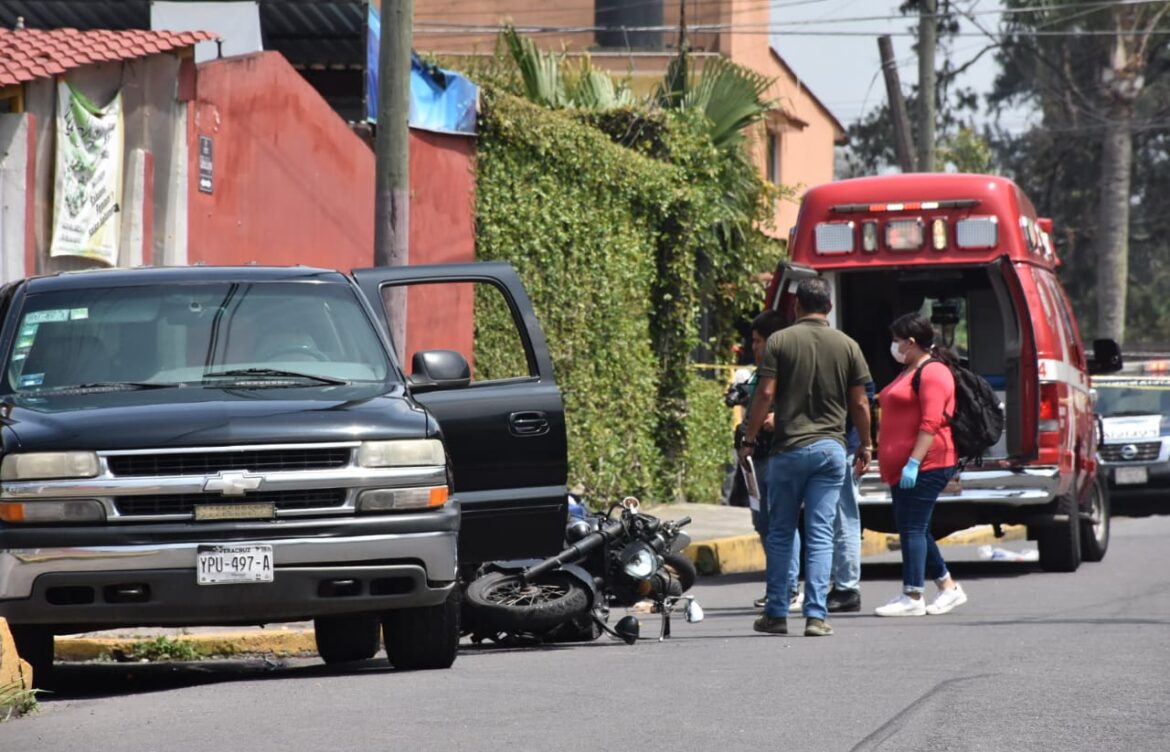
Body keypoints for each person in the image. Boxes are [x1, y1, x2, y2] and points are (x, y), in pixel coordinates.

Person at [741, 278, 872, 637]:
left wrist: (749, 438)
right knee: (820, 534)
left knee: (781, 532)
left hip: (788, 450)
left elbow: (765, 394)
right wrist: (866, 444)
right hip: (831, 451)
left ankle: (777, 613)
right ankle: (816, 615)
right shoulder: (847, 345)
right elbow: (860, 402)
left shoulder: (780, 341)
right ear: (828, 307)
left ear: (796, 306)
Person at [873, 312, 968, 617]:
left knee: (913, 527)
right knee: (915, 527)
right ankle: (948, 586)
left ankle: (913, 594)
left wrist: (913, 462)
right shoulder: (909, 369)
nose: (894, 346)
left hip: (929, 462)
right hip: (904, 465)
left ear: (911, 342)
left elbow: (930, 422)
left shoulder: (933, 372)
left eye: (897, 341)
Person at [739, 310, 802, 613]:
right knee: (763, 523)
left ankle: (788, 587)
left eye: (758, 341)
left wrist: (778, 419)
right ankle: (779, 584)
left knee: (780, 524)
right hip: (758, 458)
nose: (754, 347)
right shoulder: (759, 371)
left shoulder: (787, 369)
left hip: (777, 454)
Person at [825, 379, 874, 613]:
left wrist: (866, 444)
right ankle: (839, 584)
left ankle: (847, 588)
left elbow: (861, 402)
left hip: (842, 448)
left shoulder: (845, 357)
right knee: (834, 521)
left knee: (843, 520)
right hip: (834, 447)